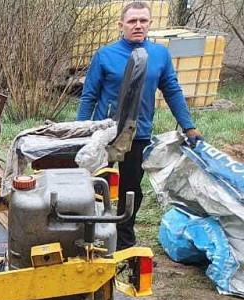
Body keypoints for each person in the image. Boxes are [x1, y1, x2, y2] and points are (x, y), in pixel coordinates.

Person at [77, 1, 203, 250]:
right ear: (121, 25)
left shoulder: (159, 55)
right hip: (105, 136)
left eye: (143, 21)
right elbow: (89, 96)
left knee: (131, 189)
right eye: (132, 21)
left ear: (149, 24)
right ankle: (89, 234)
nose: (137, 26)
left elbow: (173, 91)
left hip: (139, 135)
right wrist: (80, 132)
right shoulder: (105, 55)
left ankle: (123, 240)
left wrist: (189, 127)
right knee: (94, 185)